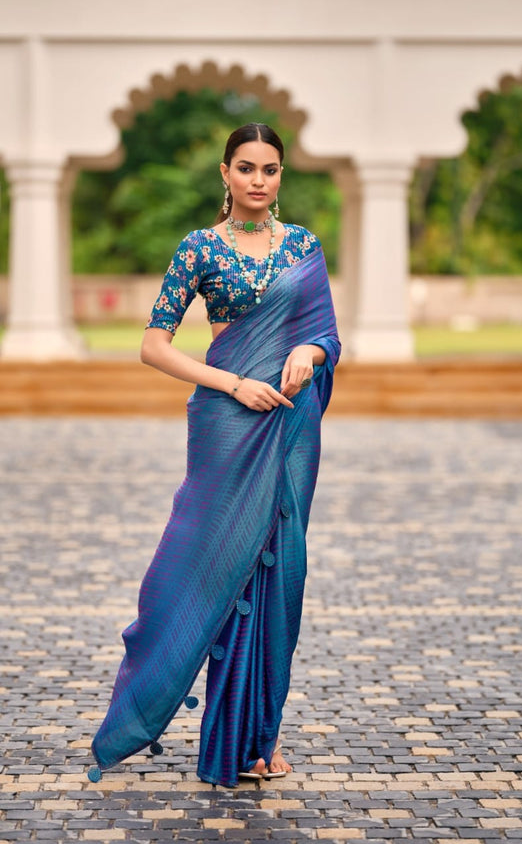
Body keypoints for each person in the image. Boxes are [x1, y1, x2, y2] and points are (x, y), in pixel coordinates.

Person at [88, 123, 341, 787]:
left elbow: (327, 334)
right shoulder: (198, 248)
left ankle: (259, 738)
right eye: (247, 168)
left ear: (281, 177)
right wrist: (232, 383)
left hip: (289, 423)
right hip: (228, 421)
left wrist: (308, 350)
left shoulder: (303, 246)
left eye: (271, 169)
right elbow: (153, 345)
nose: (259, 180)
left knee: (279, 571)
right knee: (212, 564)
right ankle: (169, 707)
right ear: (225, 174)